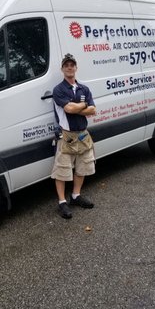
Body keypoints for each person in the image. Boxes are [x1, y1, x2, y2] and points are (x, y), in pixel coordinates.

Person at [51, 53, 96, 219]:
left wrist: (79, 107)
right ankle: (62, 202)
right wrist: (84, 105)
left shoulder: (84, 88)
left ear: (76, 68)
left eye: (72, 65)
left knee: (82, 168)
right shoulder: (59, 89)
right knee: (62, 171)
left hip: (83, 135)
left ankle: (76, 196)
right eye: (66, 65)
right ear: (62, 69)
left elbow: (93, 110)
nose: (69, 67)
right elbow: (68, 109)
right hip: (67, 136)